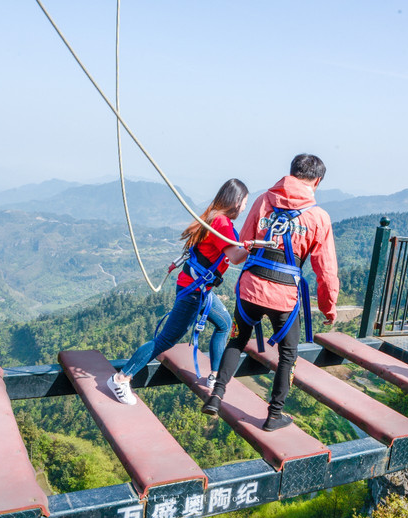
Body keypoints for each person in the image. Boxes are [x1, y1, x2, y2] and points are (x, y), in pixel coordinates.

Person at [201, 154, 339, 431]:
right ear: (317, 181)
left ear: (291, 173)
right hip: (284, 297)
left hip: (250, 288)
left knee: (236, 341)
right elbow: (325, 270)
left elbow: (244, 243)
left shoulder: (264, 201)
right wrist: (328, 307)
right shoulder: (318, 217)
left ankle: (216, 396)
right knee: (288, 355)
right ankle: (274, 415)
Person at [107, 178, 250, 405]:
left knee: (223, 324)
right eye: (244, 202)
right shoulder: (221, 223)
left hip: (197, 288)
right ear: (236, 201)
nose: (244, 208)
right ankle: (121, 377)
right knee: (166, 340)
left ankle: (214, 376)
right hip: (194, 292)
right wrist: (254, 246)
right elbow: (235, 257)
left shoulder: (212, 216)